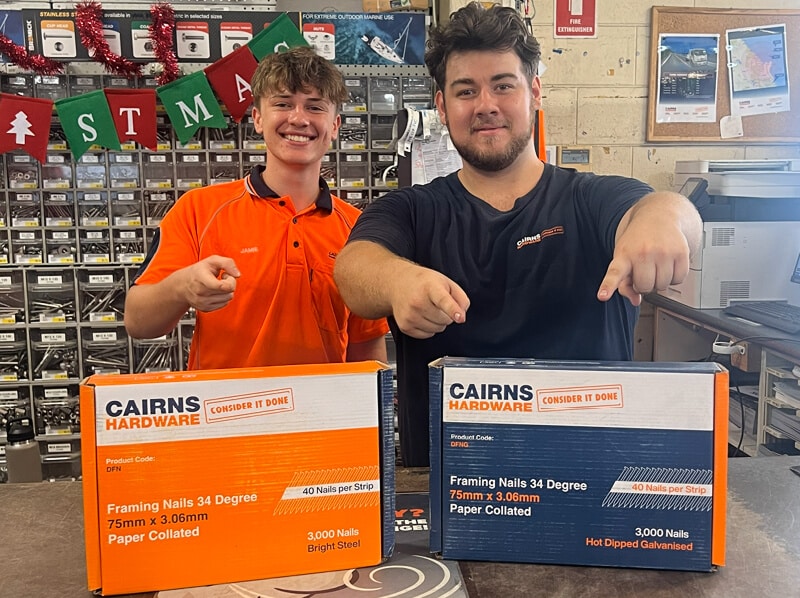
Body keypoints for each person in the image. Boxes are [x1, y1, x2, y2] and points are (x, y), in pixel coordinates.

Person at [333, 3, 703, 467]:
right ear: (443, 108)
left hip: (588, 483)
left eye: (503, 86)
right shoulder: (411, 210)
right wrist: (396, 281)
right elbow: (353, 267)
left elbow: (665, 209)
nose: (486, 105)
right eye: (466, 91)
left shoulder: (590, 200)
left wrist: (662, 223)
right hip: (452, 495)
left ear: (535, 93)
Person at [124, 46, 388, 369]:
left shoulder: (359, 229)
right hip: (224, 415)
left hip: (322, 418)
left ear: (334, 127)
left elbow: (367, 350)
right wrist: (182, 287)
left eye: (315, 107)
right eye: (283, 104)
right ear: (258, 119)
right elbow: (137, 321)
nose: (299, 119)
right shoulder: (199, 210)